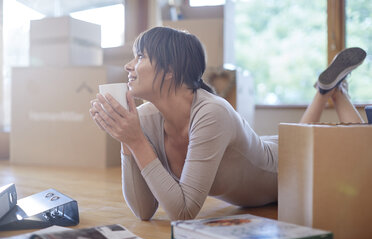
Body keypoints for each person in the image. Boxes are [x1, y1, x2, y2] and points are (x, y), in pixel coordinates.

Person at [89, 26, 366, 221]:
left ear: (170, 70)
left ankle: (337, 93)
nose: (128, 65)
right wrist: (127, 139)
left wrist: (135, 140)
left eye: (139, 56)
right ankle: (325, 90)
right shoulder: (147, 118)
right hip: (268, 153)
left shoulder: (211, 112)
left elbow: (183, 212)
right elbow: (143, 211)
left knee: (359, 152)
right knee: (301, 139)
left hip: (286, 171)